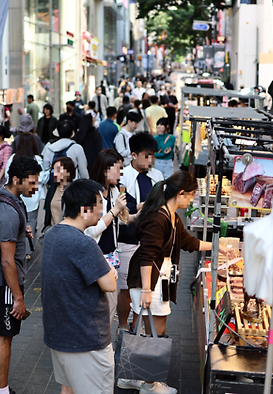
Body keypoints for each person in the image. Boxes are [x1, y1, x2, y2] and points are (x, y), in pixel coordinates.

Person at [118, 171, 211, 394]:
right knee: (155, 330)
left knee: (144, 327)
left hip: (153, 277)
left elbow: (188, 242)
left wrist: (217, 247)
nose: (191, 201)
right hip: (150, 279)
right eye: (190, 196)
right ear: (180, 194)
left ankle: (131, 377)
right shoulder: (161, 218)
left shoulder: (170, 216)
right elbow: (147, 255)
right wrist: (147, 290)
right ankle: (150, 384)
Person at [41, 179, 118, 394]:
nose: (101, 213)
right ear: (84, 210)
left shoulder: (52, 234)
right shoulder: (84, 243)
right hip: (86, 339)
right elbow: (110, 285)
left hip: (59, 335)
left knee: (68, 389)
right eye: (99, 208)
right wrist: (110, 271)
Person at [0, 157, 41, 394]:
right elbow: (7, 260)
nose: (35, 187)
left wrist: (21, 230)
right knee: (5, 334)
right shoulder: (8, 211)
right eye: (32, 182)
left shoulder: (8, 199)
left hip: (1, 279)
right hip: (7, 280)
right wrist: (18, 297)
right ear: (16, 180)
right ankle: (1, 390)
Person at [117, 133, 164, 333]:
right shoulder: (123, 175)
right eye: (147, 156)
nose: (151, 160)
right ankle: (121, 324)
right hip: (127, 239)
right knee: (127, 288)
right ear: (134, 155)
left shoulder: (158, 177)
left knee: (145, 287)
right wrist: (138, 206)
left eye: (153, 155)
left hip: (150, 240)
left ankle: (138, 328)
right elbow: (119, 206)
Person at [85, 149, 128, 325]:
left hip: (111, 256)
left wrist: (141, 210)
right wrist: (115, 209)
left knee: (110, 304)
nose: (120, 173)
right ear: (105, 170)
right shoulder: (91, 193)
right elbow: (92, 230)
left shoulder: (114, 190)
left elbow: (124, 220)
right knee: (98, 304)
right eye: (117, 169)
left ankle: (103, 343)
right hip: (95, 255)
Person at [4, 133, 50, 259]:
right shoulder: (37, 159)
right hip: (32, 200)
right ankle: (27, 251)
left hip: (19, 199)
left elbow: (7, 175)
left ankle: (20, 249)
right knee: (31, 222)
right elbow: (44, 178)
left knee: (21, 223)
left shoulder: (13, 158)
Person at [43, 156, 76, 229]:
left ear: (68, 172)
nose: (54, 174)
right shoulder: (52, 188)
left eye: (58, 170)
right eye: (53, 170)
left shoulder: (74, 191)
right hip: (52, 231)